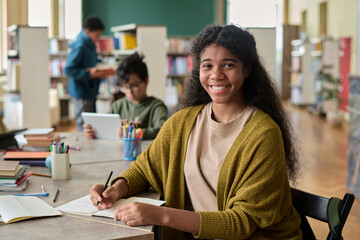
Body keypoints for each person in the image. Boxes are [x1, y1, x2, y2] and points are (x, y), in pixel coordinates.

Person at [90, 25, 302, 239]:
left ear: (247, 69)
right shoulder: (182, 122)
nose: (216, 74)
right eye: (207, 65)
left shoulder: (263, 134)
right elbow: (146, 169)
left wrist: (161, 215)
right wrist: (117, 188)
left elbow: (240, 222)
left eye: (228, 65)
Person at [83, 53, 168, 140]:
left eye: (134, 85)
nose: (129, 91)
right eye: (125, 87)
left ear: (146, 81)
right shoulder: (118, 105)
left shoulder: (156, 106)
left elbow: (162, 131)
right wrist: (93, 132)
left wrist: (132, 133)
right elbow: (104, 126)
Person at [64, 16, 114, 132]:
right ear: (87, 31)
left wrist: (101, 67)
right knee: (84, 125)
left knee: (91, 123)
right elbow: (69, 69)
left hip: (90, 90)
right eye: (96, 35)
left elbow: (91, 61)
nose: (98, 39)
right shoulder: (80, 45)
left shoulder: (90, 44)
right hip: (81, 91)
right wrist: (89, 74)